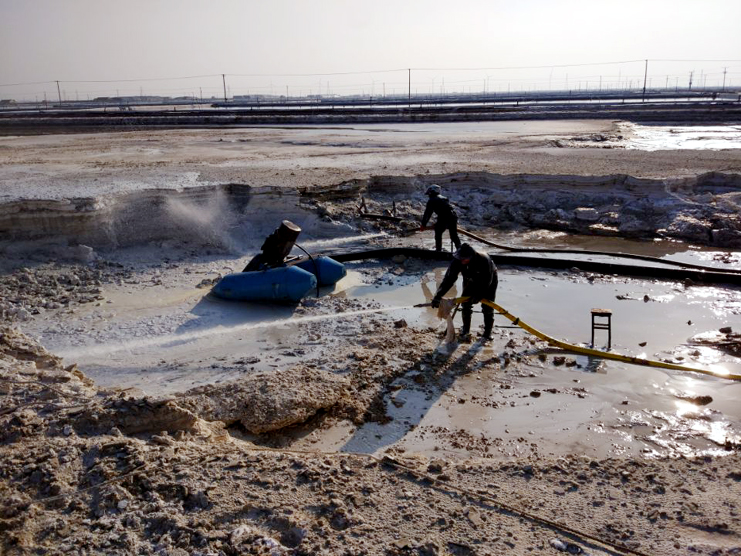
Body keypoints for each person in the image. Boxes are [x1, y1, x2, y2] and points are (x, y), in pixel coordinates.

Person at [430, 243, 498, 341]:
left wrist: (479, 295)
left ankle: (487, 333)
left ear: (471, 256)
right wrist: (438, 296)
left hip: (488, 279)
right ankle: (466, 330)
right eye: (460, 259)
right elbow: (448, 280)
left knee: (487, 306)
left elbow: (487, 281)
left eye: (464, 259)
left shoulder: (484, 259)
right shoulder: (457, 261)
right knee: (465, 303)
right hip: (469, 279)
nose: (462, 261)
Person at [420, 184, 461, 252]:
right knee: (454, 236)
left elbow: (428, 213)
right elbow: (445, 210)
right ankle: (460, 251)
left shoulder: (432, 200)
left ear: (432, 192)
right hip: (453, 217)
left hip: (444, 217)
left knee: (438, 232)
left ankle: (438, 251)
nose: (429, 195)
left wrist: (423, 225)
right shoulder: (444, 198)